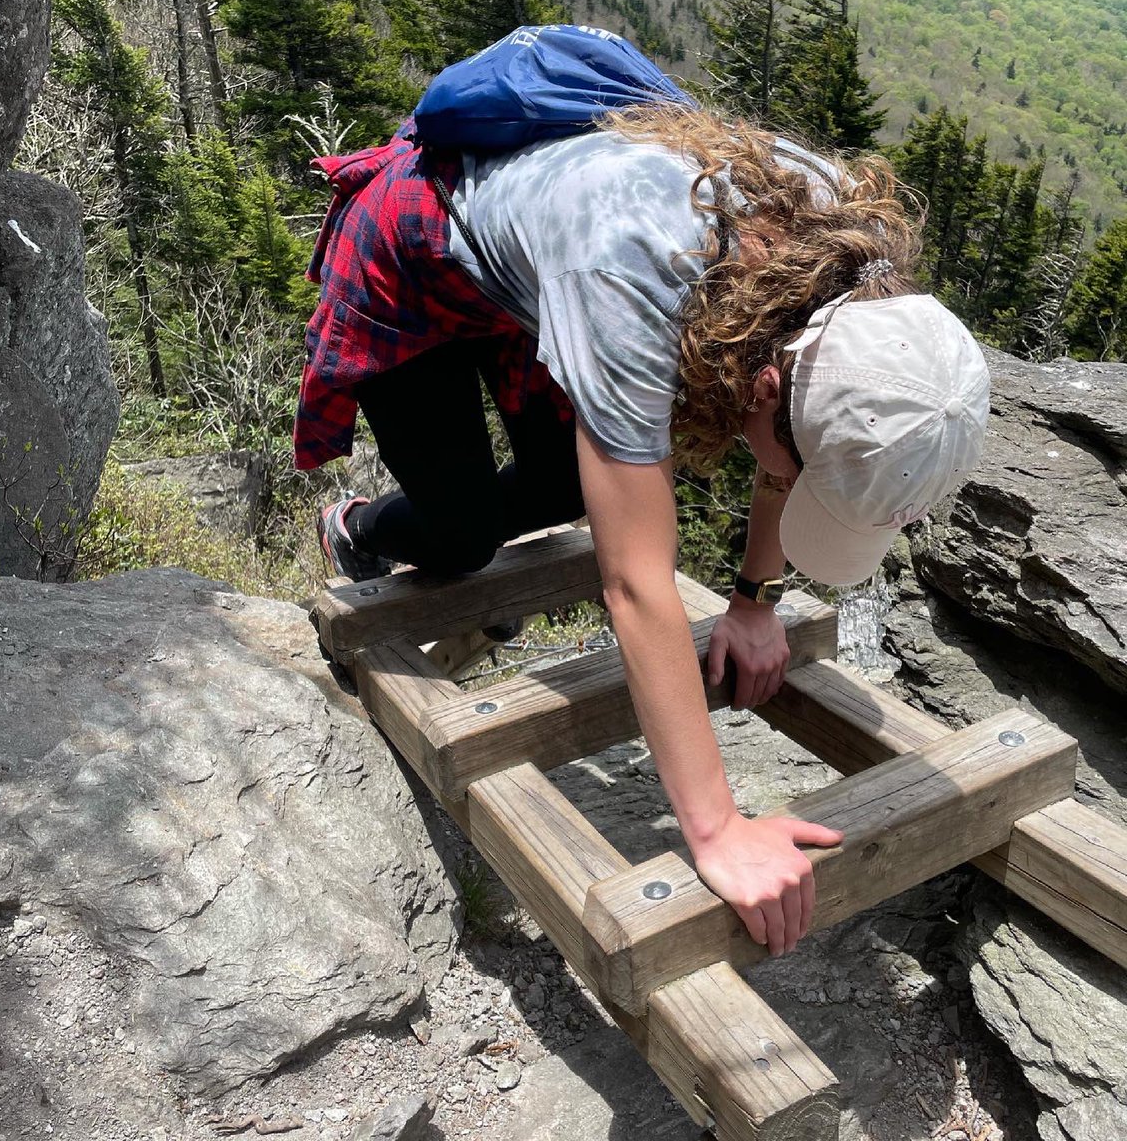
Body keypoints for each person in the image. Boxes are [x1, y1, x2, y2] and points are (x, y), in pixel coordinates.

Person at [294, 101, 990, 959]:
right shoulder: (635, 284)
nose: (781, 482)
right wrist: (717, 829)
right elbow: (635, 583)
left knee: (560, 485)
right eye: (799, 476)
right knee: (466, 530)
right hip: (419, 248)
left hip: (548, 258)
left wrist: (755, 602)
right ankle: (360, 527)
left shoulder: (861, 283)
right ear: (765, 388)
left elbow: (788, 452)